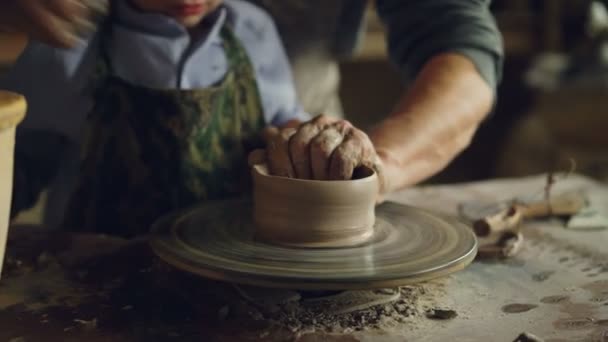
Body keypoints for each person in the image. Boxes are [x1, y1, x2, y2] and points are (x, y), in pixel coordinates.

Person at [1, 0, 503, 237]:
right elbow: (22, 163)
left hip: (235, 270)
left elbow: (287, 132)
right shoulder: (68, 48)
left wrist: (321, 147)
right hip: (100, 278)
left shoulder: (254, 32)